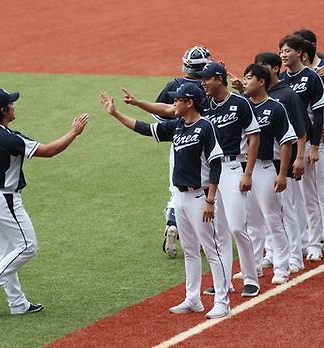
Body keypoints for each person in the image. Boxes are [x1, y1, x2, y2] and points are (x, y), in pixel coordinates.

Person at [123, 62, 262, 298]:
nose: (203, 83)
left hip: (233, 167)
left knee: (237, 226)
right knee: (219, 231)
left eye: (206, 79)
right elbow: (168, 110)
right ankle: (225, 281)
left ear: (219, 79)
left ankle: (251, 277)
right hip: (211, 174)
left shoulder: (240, 103)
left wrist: (248, 172)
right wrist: (138, 103)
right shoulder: (204, 104)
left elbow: (254, 136)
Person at [100, 83, 231, 319]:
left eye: (177, 100)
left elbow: (215, 164)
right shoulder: (178, 126)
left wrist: (211, 201)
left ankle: (222, 301)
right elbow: (144, 129)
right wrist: (115, 113)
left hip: (201, 197)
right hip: (180, 198)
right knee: (190, 250)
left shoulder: (206, 127)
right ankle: (193, 299)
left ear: (189, 102)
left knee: (212, 251)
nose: (173, 104)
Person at [0, 88, 88, 315]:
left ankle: (17, 303)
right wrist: (73, 132)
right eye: (11, 104)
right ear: (4, 110)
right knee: (27, 246)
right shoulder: (9, 139)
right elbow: (49, 151)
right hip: (5, 200)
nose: (14, 106)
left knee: (8, 253)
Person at [121, 46, 211, 258]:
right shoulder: (209, 87)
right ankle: (200, 236)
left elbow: (161, 117)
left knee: (177, 190)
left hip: (179, 139)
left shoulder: (175, 85)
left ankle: (173, 223)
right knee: (203, 189)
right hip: (207, 142)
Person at [279, 34, 324, 261]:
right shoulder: (283, 80)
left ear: (300, 53)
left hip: (317, 145)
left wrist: (314, 146)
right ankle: (313, 242)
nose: (284, 55)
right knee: (305, 199)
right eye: (282, 51)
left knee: (323, 194)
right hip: (294, 147)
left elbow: (320, 112)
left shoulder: (312, 77)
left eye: (288, 50)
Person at [253, 52, 308, 272]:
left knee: (288, 211)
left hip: (283, 163)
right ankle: (272, 253)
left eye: (262, 65)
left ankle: (295, 256)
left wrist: (299, 157)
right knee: (267, 213)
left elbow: (301, 130)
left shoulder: (287, 95)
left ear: (274, 69)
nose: (259, 69)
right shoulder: (257, 98)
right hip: (264, 164)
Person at [242, 63, 296, 284]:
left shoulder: (275, 107)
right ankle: (254, 266)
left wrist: (282, 173)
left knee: (273, 219)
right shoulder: (244, 108)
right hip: (245, 169)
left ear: (261, 82)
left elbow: (286, 143)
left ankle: (282, 267)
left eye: (248, 78)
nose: (245, 82)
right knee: (251, 222)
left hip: (266, 169)